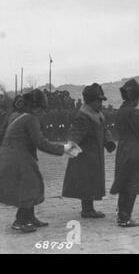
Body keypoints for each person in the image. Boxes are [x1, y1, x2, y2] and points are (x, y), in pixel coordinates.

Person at [0, 90, 72, 233]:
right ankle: (20, 221)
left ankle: (30, 217)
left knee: (31, 183)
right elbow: (40, 143)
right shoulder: (30, 119)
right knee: (30, 185)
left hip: (9, 155)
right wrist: (63, 148)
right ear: (34, 107)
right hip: (18, 156)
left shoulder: (16, 115)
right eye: (40, 108)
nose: (42, 112)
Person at [62, 83, 116, 218]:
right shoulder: (83, 116)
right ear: (90, 101)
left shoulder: (97, 115)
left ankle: (89, 207)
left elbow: (104, 129)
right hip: (84, 157)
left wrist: (108, 141)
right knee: (87, 182)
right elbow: (74, 135)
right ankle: (87, 209)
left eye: (101, 101)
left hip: (95, 155)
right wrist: (72, 152)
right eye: (98, 101)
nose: (101, 104)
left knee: (92, 182)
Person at [110, 79, 139, 227]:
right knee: (133, 183)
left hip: (123, 149)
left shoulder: (121, 111)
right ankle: (125, 218)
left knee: (124, 182)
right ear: (134, 98)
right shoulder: (133, 112)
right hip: (135, 150)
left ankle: (122, 214)